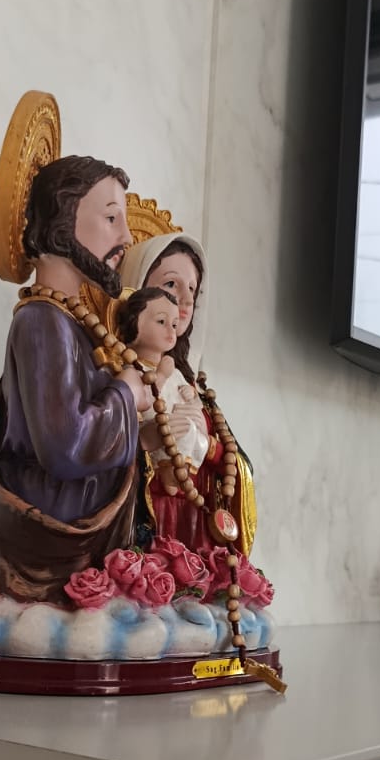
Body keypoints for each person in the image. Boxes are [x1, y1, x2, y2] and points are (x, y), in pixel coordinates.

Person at [0, 155, 149, 601]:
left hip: (77, 546)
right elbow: (66, 444)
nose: (126, 237)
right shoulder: (42, 322)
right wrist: (125, 394)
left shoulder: (70, 320)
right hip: (48, 558)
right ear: (63, 220)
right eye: (111, 218)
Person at [117, 233, 256, 554]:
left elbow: (234, 465)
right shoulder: (119, 376)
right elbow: (95, 452)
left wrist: (207, 445)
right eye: (170, 285)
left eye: (192, 289)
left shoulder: (193, 388)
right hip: (144, 523)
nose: (185, 300)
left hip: (193, 527)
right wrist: (144, 441)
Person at [115, 286, 210, 493]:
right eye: (161, 322)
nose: (171, 331)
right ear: (135, 324)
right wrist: (161, 375)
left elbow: (192, 400)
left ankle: (181, 472)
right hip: (154, 436)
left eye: (174, 324)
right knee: (179, 429)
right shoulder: (131, 370)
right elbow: (138, 401)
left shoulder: (175, 371)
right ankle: (168, 473)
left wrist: (192, 397)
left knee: (191, 431)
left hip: (180, 430)